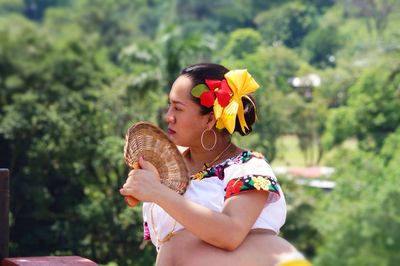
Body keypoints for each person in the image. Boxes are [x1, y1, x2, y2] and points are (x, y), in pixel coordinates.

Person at [120, 63, 311, 266]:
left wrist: (157, 192)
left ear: (210, 120)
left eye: (178, 108)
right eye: (169, 106)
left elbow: (230, 233)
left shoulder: (248, 168)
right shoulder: (166, 165)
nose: (168, 116)